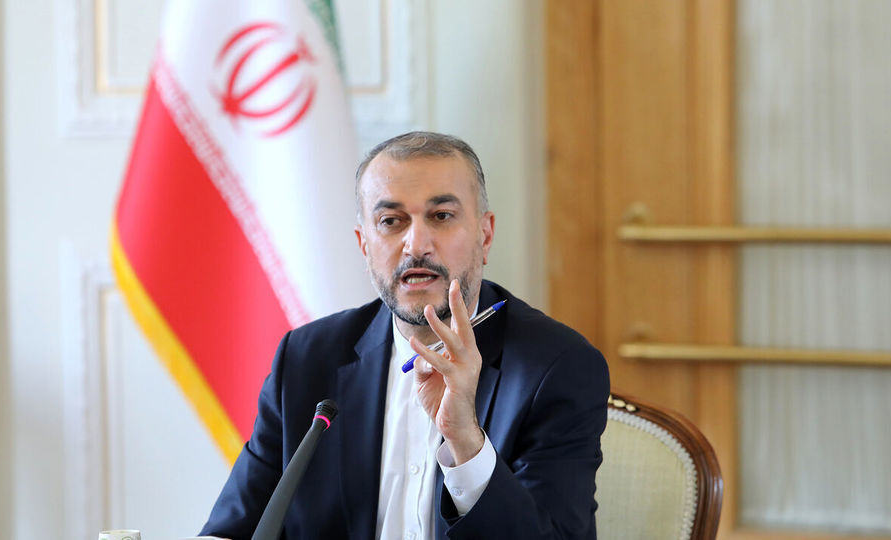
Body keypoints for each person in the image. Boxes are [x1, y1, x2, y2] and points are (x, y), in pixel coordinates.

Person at [200, 132, 610, 539]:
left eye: (441, 216)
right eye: (391, 222)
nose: (416, 245)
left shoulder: (557, 368)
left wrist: (465, 442)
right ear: (364, 246)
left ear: (485, 236)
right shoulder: (306, 360)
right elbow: (233, 529)